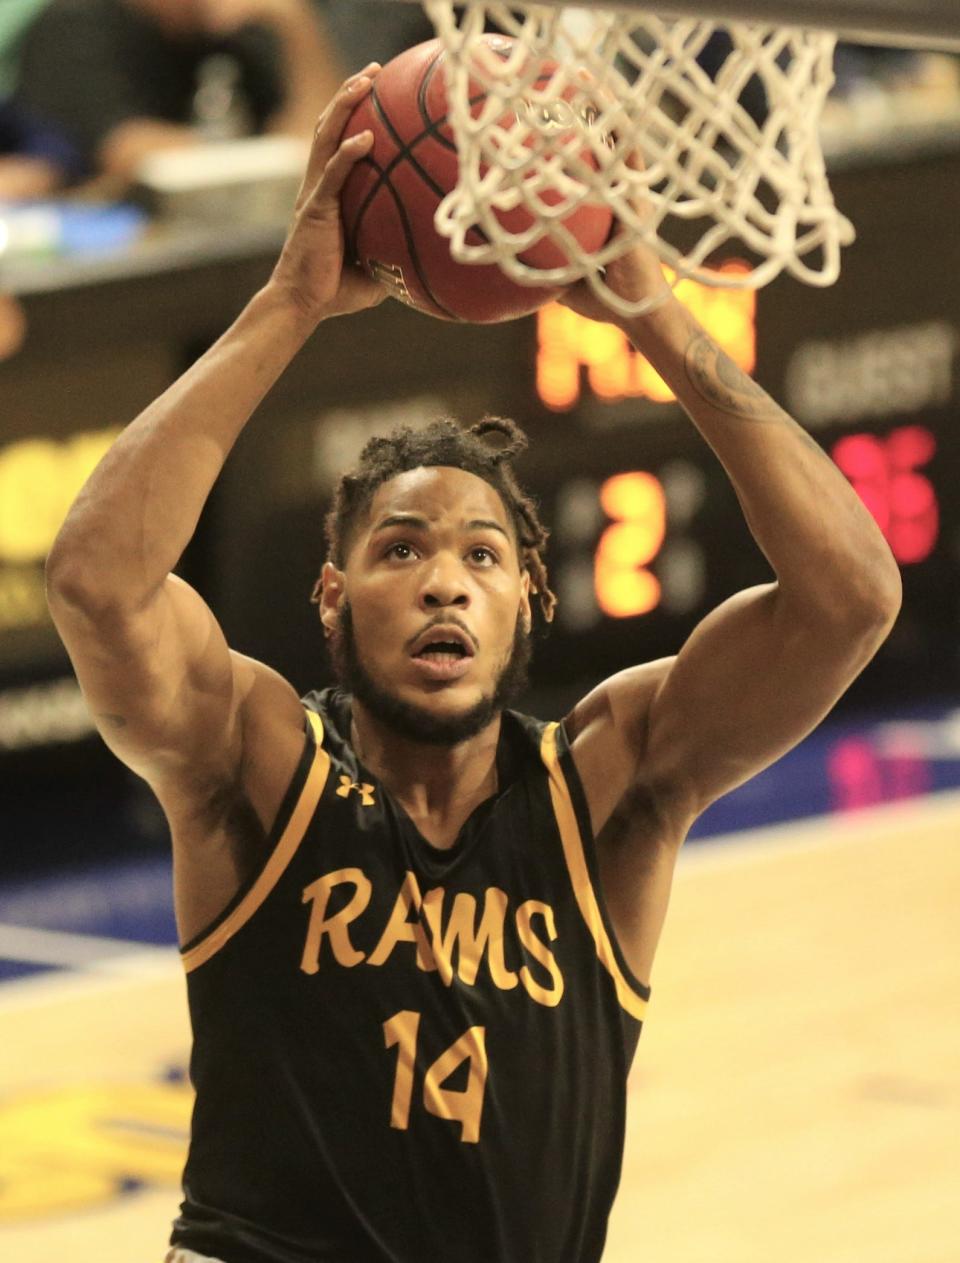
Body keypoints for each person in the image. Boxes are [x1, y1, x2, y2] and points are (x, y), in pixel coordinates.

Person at [45, 63, 902, 1263]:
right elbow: (96, 579)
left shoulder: (608, 785)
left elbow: (853, 598)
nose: (445, 578)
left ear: (529, 600)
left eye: (482, 556)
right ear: (332, 598)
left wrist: (655, 311)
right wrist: (287, 305)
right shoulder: (257, 763)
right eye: (401, 550)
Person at [11, 0, 344, 186]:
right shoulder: (77, 25)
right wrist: (274, 153)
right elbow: (130, 152)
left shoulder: (233, 27)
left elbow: (323, 135)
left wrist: (294, 21)